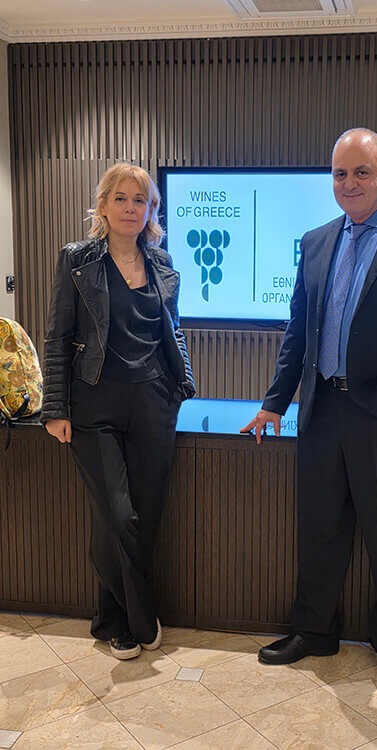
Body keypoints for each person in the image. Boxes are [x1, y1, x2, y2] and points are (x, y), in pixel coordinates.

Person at [241, 128, 377, 696]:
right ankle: (315, 631)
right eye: (340, 173)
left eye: (362, 172)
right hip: (320, 409)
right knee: (319, 528)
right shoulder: (315, 242)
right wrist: (275, 402)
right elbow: (299, 332)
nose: (349, 183)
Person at [42, 163, 195, 660]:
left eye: (141, 200)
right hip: (95, 405)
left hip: (153, 403)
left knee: (142, 518)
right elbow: (58, 336)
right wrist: (55, 407)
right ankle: (141, 616)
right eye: (122, 198)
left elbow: (172, 329)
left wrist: (183, 383)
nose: (132, 208)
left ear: (152, 210)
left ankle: (112, 621)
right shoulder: (77, 260)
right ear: (104, 205)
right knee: (117, 515)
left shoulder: (162, 262)